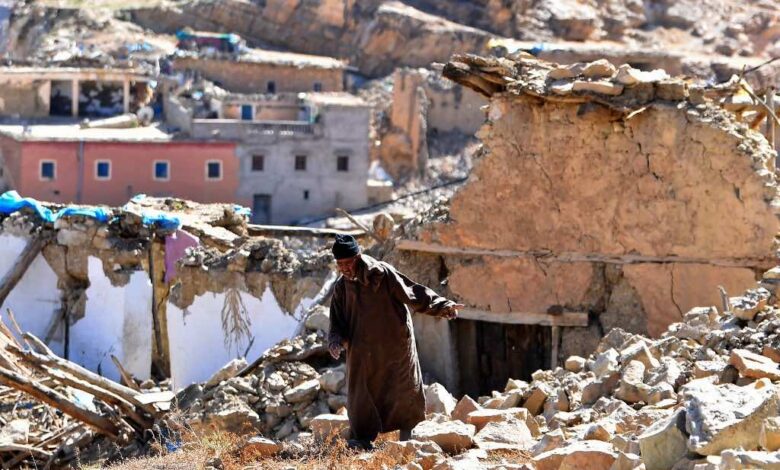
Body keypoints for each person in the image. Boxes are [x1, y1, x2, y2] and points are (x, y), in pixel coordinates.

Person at [327, 234, 463, 449]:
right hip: (362, 352)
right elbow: (337, 322)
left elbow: (412, 292)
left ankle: (410, 439)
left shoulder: (381, 273)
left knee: (403, 390)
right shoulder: (341, 287)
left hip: (394, 346)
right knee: (361, 395)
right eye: (340, 264)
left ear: (358, 257)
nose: (344, 268)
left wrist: (441, 306)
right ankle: (362, 441)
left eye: (348, 263)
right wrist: (335, 341)